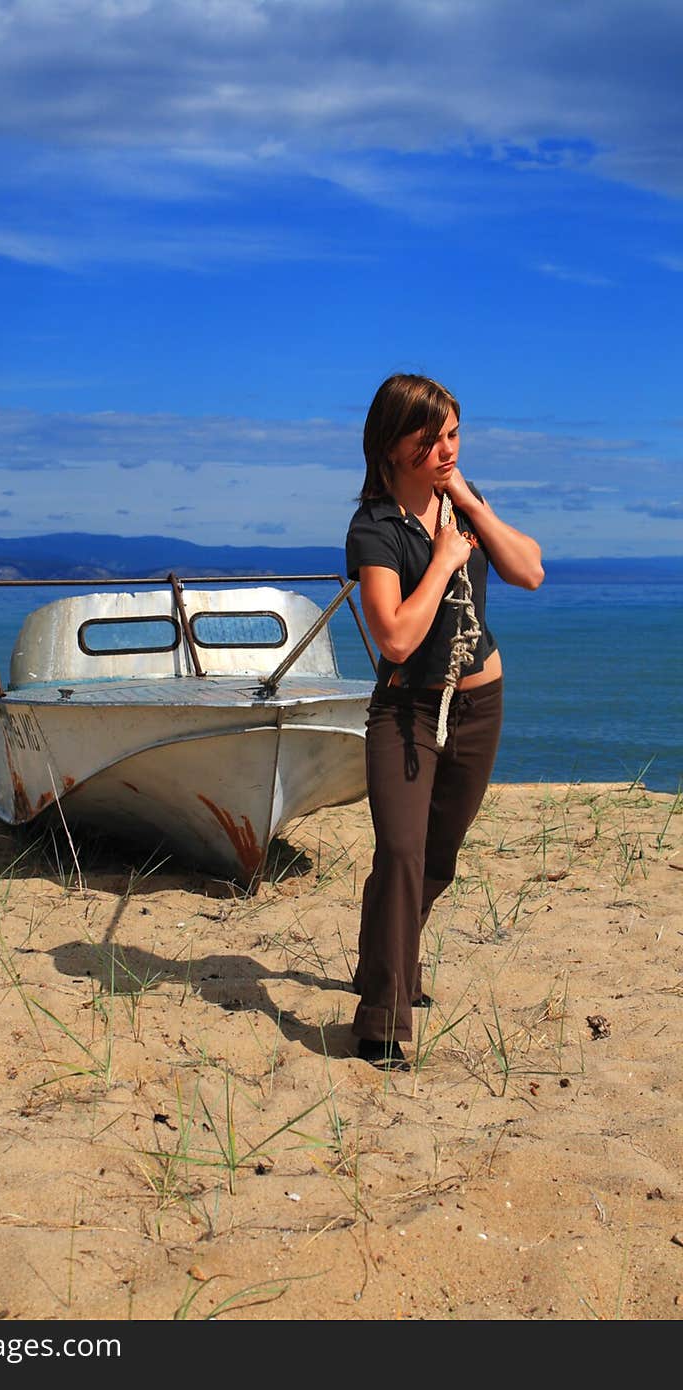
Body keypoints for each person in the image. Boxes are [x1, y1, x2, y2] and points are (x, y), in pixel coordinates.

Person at [345, 373, 544, 1070]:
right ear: (393, 446)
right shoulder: (374, 528)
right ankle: (382, 1017)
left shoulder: (464, 502)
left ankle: (385, 966)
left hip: (480, 704)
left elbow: (528, 571)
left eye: (454, 435)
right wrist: (444, 561)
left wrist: (466, 509)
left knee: (436, 857)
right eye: (431, 440)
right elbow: (395, 639)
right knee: (399, 851)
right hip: (407, 711)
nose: (447, 450)